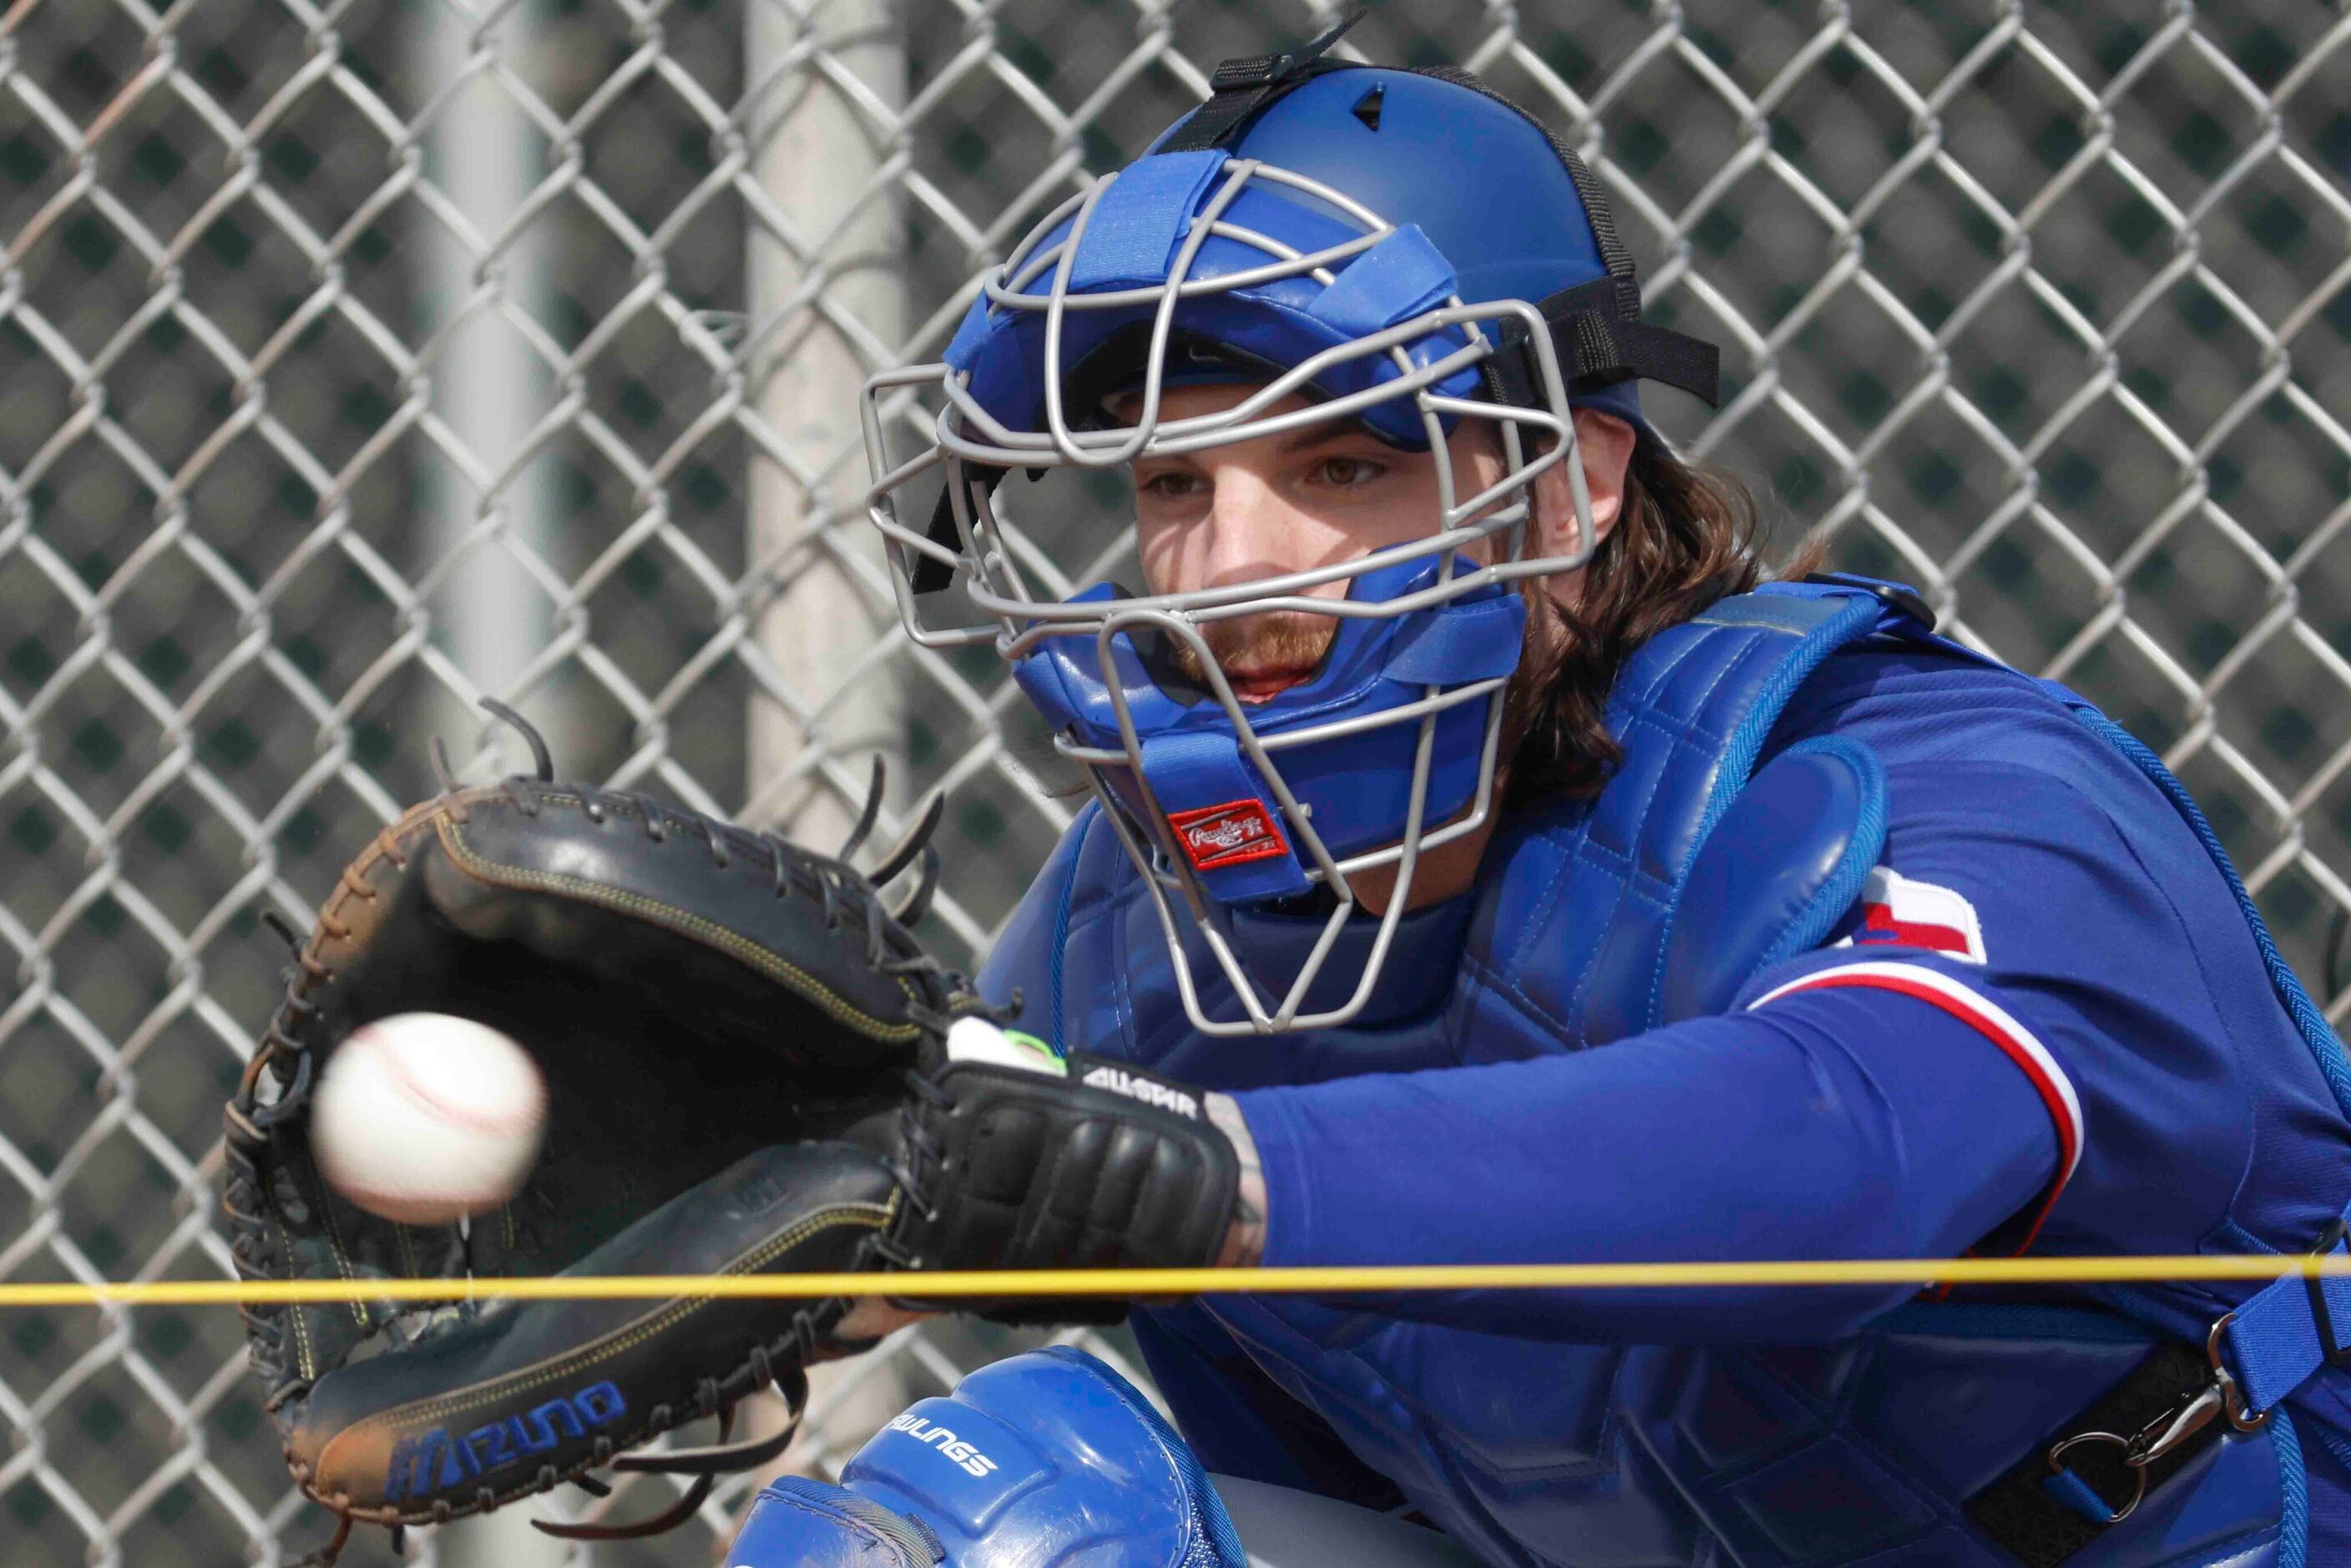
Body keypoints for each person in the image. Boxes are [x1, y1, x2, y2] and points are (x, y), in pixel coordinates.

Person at [849, 36, 2351, 1567]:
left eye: (1349, 461)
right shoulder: (1145, 933)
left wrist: (1209, 1177)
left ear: (1569, 486)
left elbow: (1844, 1155)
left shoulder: (1940, 780)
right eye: (1175, 484)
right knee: (989, 1528)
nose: (1231, 567)